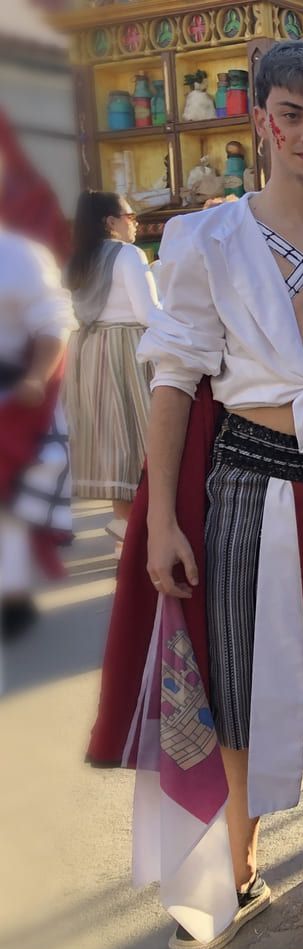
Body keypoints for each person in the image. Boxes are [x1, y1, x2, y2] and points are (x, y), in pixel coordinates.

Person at [136, 40, 303, 949]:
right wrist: (165, 519)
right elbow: (174, 376)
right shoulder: (203, 238)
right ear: (260, 119)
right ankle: (240, 863)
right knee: (240, 679)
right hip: (247, 478)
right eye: (292, 115)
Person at [0, 163, 74, 644]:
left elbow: (53, 322)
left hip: (8, 390)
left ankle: (10, 594)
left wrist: (33, 378)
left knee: (8, 502)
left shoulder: (19, 256)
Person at [61, 191, 159, 540]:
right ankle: (138, 525)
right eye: (131, 216)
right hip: (127, 347)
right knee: (147, 435)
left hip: (89, 350)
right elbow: (148, 314)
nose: (136, 223)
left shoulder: (78, 259)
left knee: (116, 438)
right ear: (110, 221)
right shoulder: (128, 255)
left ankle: (123, 520)